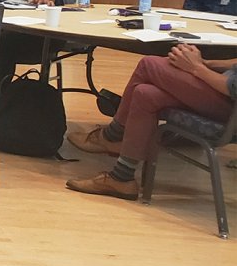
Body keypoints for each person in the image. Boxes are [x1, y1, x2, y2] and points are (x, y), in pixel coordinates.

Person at [65, 44, 235, 200]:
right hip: (227, 99)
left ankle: (112, 136)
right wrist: (207, 63)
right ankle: (122, 178)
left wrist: (196, 68)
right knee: (145, 94)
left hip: (230, 110)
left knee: (148, 65)